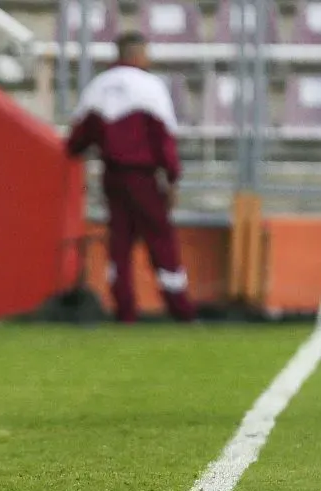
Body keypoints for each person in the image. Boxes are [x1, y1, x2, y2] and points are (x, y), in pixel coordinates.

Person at [65, 31, 195, 324]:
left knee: (120, 243)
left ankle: (125, 311)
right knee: (161, 240)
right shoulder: (149, 86)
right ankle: (180, 310)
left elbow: (76, 141)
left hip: (111, 177)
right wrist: (172, 178)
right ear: (137, 54)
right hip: (144, 178)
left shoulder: (98, 87)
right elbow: (164, 139)